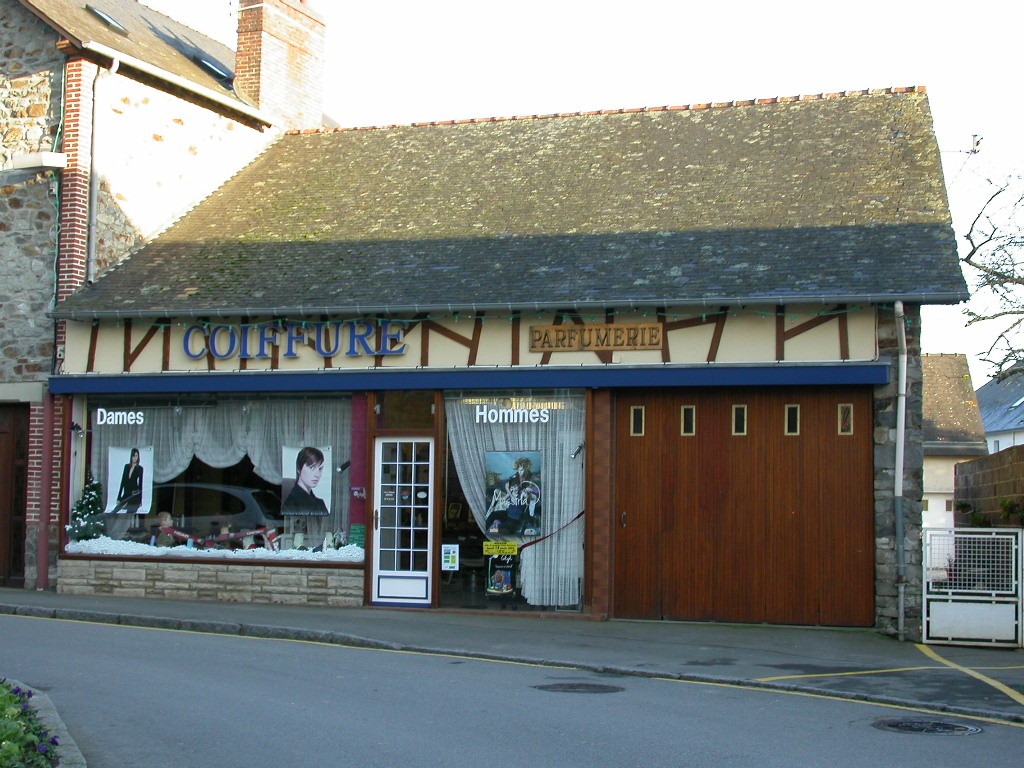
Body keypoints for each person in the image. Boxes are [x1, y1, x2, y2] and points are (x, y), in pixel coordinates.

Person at [282, 446, 329, 516]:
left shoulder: (320, 503)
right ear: (299, 469)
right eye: (312, 468)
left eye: (320, 469)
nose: (317, 474)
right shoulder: (290, 504)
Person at [116, 448, 144, 516]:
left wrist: (140, 500)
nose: (135, 458)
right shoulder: (127, 466)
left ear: (138, 457)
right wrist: (119, 497)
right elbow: (122, 482)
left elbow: (140, 484)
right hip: (126, 494)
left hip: (135, 495)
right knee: (115, 511)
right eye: (133, 456)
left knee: (129, 513)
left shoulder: (140, 468)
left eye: (136, 456)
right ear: (131, 456)